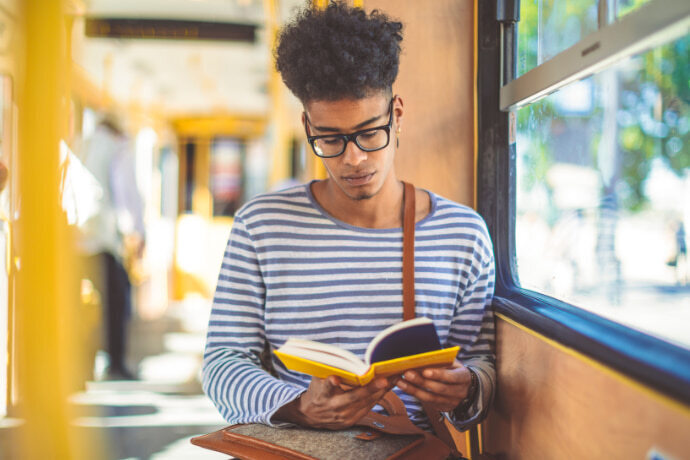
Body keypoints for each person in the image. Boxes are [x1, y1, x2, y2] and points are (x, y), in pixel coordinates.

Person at [202, 2, 495, 433]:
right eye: (330, 139)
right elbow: (223, 362)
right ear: (307, 128)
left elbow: (481, 364)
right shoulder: (260, 227)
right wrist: (299, 405)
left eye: (368, 133)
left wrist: (467, 387)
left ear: (396, 116)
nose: (354, 158)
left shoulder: (463, 235)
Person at [78, 116, 145, 380]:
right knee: (117, 302)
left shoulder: (79, 143)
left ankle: (82, 366)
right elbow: (125, 192)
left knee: (79, 305)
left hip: (74, 238)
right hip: (102, 239)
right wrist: (136, 231)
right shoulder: (118, 149)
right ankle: (115, 362)